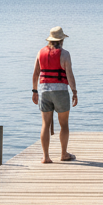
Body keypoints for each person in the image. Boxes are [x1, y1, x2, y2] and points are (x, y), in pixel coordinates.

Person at [31, 26, 78, 163]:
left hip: (44, 91)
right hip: (61, 92)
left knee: (45, 124)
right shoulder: (65, 54)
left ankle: (45, 157)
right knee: (64, 124)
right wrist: (74, 92)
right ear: (61, 40)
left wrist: (34, 91)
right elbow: (69, 75)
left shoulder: (40, 53)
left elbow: (35, 75)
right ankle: (63, 154)